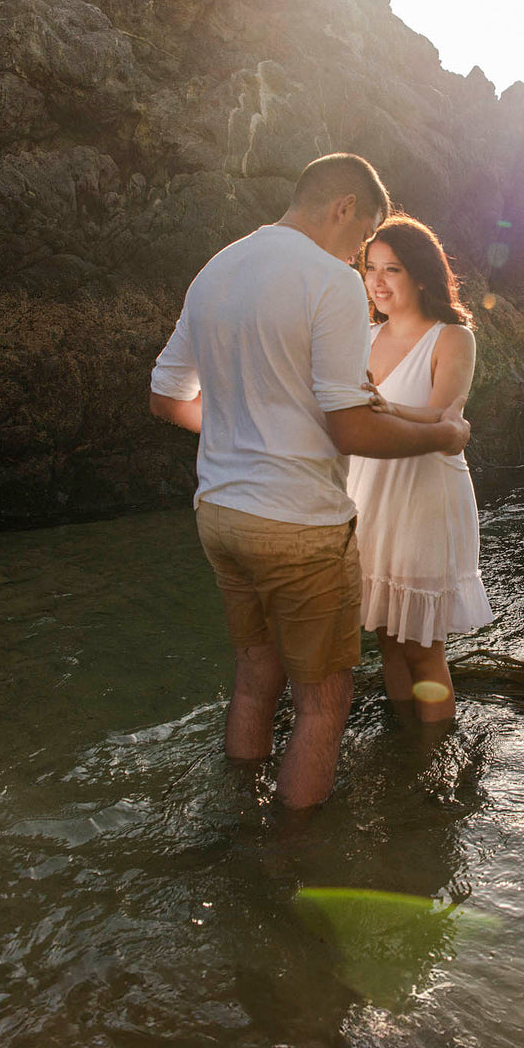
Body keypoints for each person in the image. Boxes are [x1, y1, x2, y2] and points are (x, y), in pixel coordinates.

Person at [148, 154, 470, 810]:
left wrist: (245, 428)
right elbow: (351, 428)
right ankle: (292, 856)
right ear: (343, 208)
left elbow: (165, 397)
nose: (359, 261)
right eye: (362, 240)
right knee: (324, 701)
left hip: (219, 513)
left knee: (253, 674)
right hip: (297, 525)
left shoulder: (217, 269)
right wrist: (438, 436)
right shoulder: (329, 282)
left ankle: (240, 813)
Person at [346, 215, 494, 727]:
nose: (378, 281)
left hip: (425, 498)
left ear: (423, 276)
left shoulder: (453, 338)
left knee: (423, 651)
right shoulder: (359, 337)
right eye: (371, 269)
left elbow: (443, 415)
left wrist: (381, 409)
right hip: (368, 496)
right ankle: (403, 745)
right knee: (387, 640)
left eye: (393, 269)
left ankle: (435, 762)